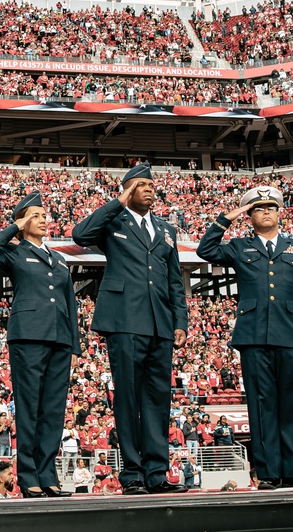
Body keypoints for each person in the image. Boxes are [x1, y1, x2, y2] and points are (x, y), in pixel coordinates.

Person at [72, 163, 189, 495]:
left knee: (158, 399)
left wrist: (181, 322)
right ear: (127, 190)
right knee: (128, 398)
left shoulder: (167, 229)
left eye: (151, 185)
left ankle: (156, 473)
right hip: (124, 321)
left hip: (160, 323)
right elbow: (80, 235)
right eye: (141, 184)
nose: (150, 189)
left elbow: (174, 280)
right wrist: (116, 203)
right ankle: (133, 474)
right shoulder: (114, 222)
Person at [197, 186, 293, 490]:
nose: (265, 213)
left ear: (280, 213)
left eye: (270, 208)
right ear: (249, 216)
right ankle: (269, 474)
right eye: (257, 209)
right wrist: (227, 218)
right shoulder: (240, 246)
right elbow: (205, 250)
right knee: (261, 405)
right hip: (253, 335)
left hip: (291, 333)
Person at [0, 190, 80, 498]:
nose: (42, 219)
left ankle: (48, 475)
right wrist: (16, 226)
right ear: (23, 221)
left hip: (60, 339)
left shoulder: (60, 259)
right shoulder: (14, 252)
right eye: (34, 215)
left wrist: (75, 346)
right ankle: (29, 476)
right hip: (28, 336)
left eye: (43, 215)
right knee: (30, 409)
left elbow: (70, 304)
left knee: (53, 410)